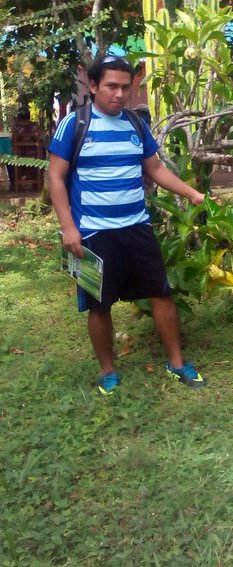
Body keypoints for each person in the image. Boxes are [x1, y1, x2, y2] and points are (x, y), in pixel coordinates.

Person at [48, 55, 206, 394]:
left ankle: (177, 363)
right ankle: (108, 371)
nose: (119, 94)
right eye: (111, 86)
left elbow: (156, 169)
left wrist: (193, 194)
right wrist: (68, 228)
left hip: (137, 227)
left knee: (161, 295)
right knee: (98, 304)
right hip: (91, 233)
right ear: (92, 86)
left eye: (125, 87)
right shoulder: (74, 125)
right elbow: (55, 178)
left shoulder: (136, 124)